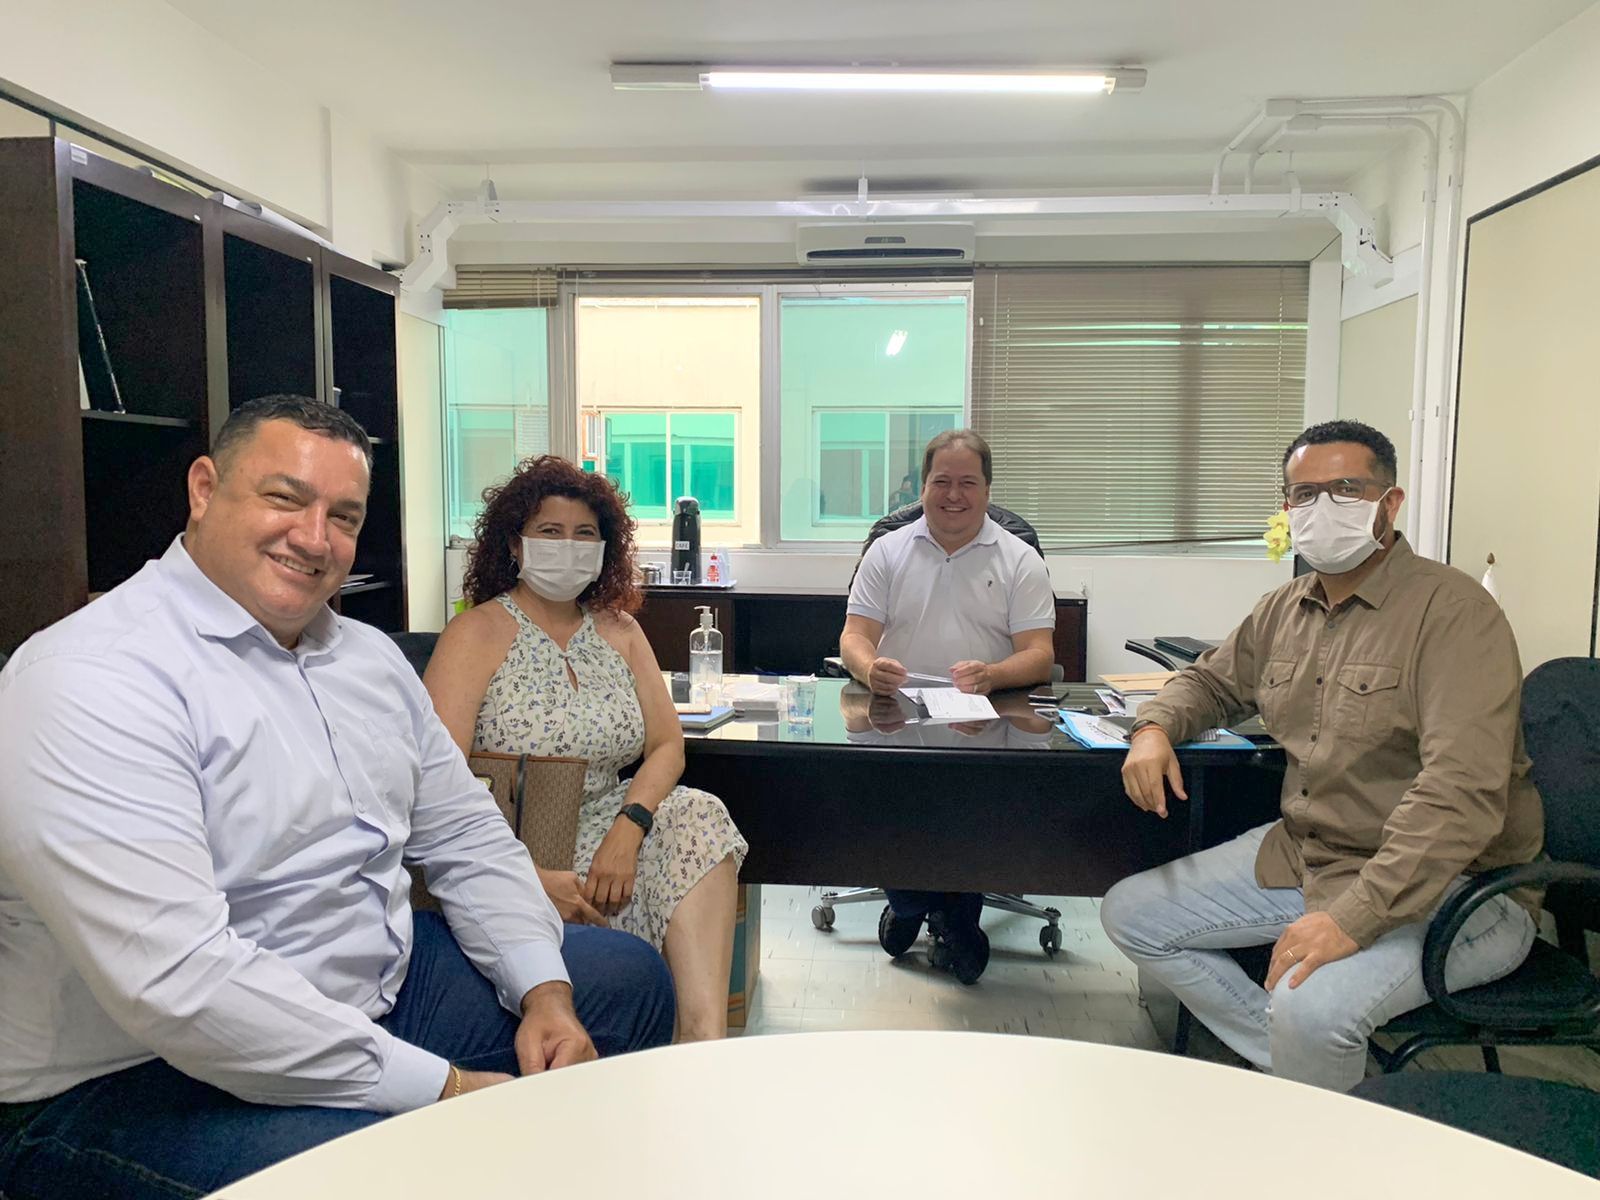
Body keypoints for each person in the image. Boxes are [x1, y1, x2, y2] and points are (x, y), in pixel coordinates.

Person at [0, 397, 675, 1200]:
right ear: (204, 489)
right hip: (135, 1071)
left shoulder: (367, 659)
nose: (314, 538)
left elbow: (467, 838)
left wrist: (545, 994)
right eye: (284, 499)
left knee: (623, 983)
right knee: (404, 1178)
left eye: (343, 516)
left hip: (371, 990)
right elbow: (181, 983)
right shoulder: (93, 678)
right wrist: (446, 1090)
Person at [1099, 419, 1542, 1091]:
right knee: (1132, 916)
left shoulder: (1454, 614)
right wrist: (1154, 729)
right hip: (1309, 856)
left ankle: (1319, 1092)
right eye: (1304, 495)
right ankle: (1320, 1079)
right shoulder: (1284, 609)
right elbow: (1210, 682)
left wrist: (1351, 920)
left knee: (1310, 1008)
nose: (1321, 508)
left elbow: (1461, 794)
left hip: (1453, 887)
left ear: (1390, 503)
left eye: (1345, 489)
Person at [424, 456, 747, 1041]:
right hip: (506, 843)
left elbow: (667, 743)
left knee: (700, 815)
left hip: (608, 829)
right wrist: (524, 876)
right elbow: (435, 785)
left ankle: (702, 1044)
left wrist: (630, 827)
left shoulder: (620, 629)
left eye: (584, 534)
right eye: (550, 531)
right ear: (515, 545)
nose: (568, 547)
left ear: (605, 548)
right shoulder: (475, 633)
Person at [838, 429, 1056, 982]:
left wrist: (993, 675)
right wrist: (869, 667)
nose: (953, 495)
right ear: (922, 487)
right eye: (942, 481)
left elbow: (1039, 656)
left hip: (985, 728)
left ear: (988, 490)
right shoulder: (888, 550)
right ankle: (918, 904)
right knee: (883, 805)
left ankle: (947, 913)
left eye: (968, 483)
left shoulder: (1020, 559)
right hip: (896, 719)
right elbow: (854, 637)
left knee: (972, 814)